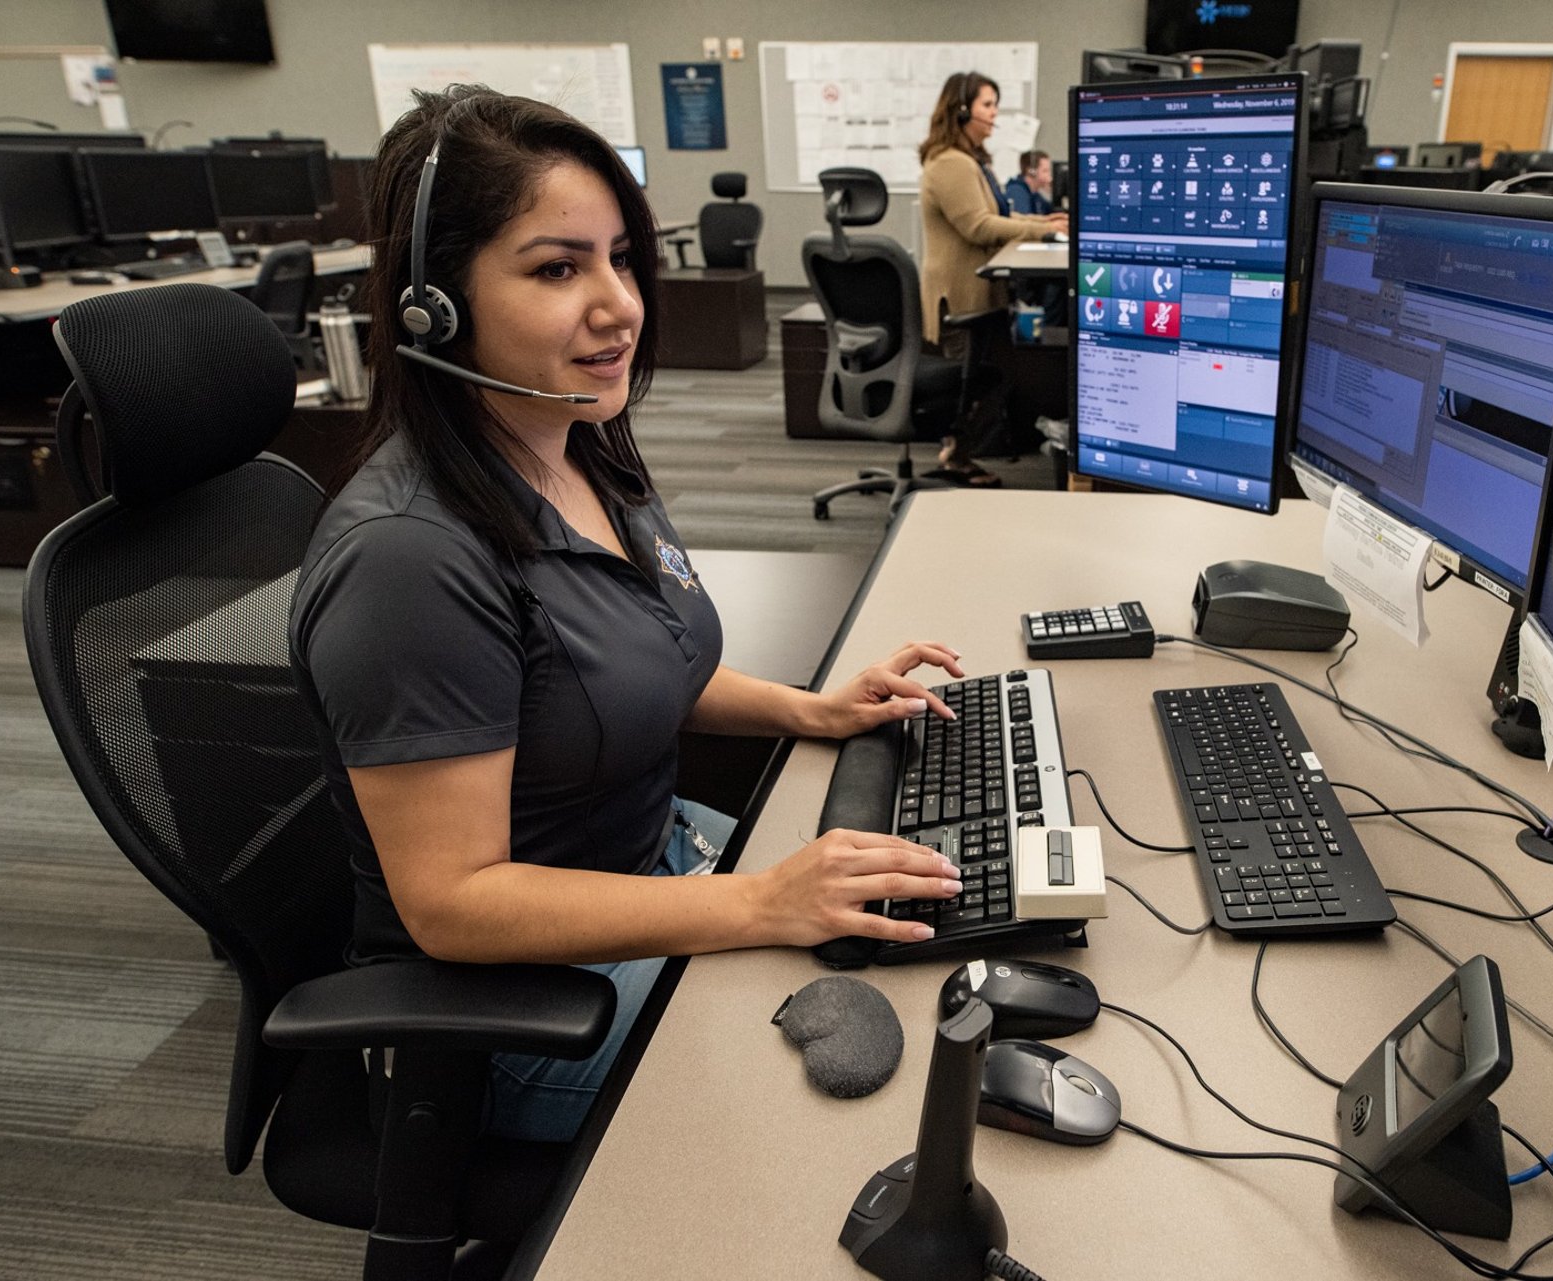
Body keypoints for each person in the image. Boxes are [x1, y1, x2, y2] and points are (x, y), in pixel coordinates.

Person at [288, 85, 966, 1144]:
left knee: (932, 954)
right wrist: (756, 905)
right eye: (558, 268)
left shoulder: (578, 449)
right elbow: (451, 902)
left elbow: (640, 663)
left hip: (652, 867)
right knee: (888, 1099)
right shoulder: (410, 562)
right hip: (525, 1010)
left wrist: (811, 711)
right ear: (434, 301)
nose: (620, 305)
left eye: (619, 258)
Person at [918, 71, 1067, 485]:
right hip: (960, 294)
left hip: (978, 290)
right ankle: (956, 456)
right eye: (987, 105)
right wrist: (1046, 231)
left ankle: (958, 453)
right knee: (971, 382)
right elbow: (979, 228)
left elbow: (1000, 216)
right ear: (962, 110)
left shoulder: (971, 163)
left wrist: (1046, 220)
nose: (994, 115)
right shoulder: (950, 163)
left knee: (990, 375)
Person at [1005, 150, 1054, 216]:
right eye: (1045, 171)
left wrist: (1055, 191)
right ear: (1031, 171)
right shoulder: (1017, 191)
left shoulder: (1034, 194)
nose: (1049, 175)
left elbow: (1052, 212)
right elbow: (1023, 221)